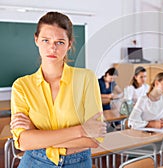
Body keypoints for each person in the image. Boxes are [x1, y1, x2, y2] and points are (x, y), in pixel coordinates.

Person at [9, 12, 107, 167]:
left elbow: (94, 139)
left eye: (60, 42)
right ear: (36, 40)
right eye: (46, 40)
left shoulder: (86, 79)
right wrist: (81, 130)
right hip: (34, 161)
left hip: (77, 162)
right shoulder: (21, 86)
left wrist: (36, 134)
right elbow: (23, 142)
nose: (52, 47)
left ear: (69, 44)